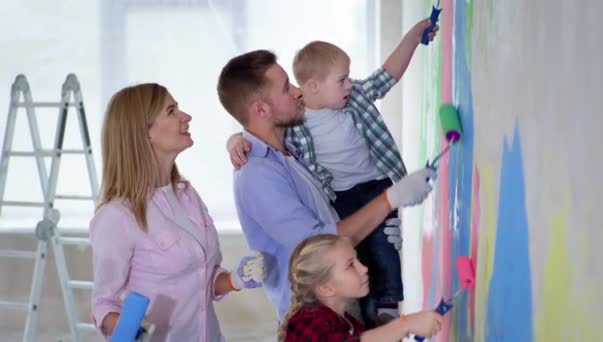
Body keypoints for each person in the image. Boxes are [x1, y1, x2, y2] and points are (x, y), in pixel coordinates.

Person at [227, 19, 438, 325]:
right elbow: (319, 240)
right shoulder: (259, 172)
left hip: (339, 295)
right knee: (366, 262)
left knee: (378, 259)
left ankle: (387, 305)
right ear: (261, 109)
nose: (297, 92)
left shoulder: (289, 149)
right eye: (287, 87)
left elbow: (386, 76)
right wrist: (389, 201)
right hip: (316, 310)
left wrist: (414, 37)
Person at [90, 83, 264, 341]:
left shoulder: (187, 195)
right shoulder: (117, 217)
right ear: (144, 133)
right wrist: (133, 331)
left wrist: (234, 280)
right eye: (171, 111)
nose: (186, 117)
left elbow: (201, 277)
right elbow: (104, 305)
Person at [279, 234, 442, 341]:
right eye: (351, 265)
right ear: (326, 288)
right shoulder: (308, 323)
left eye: (357, 260)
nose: (363, 268)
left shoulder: (345, 321)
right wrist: (403, 325)